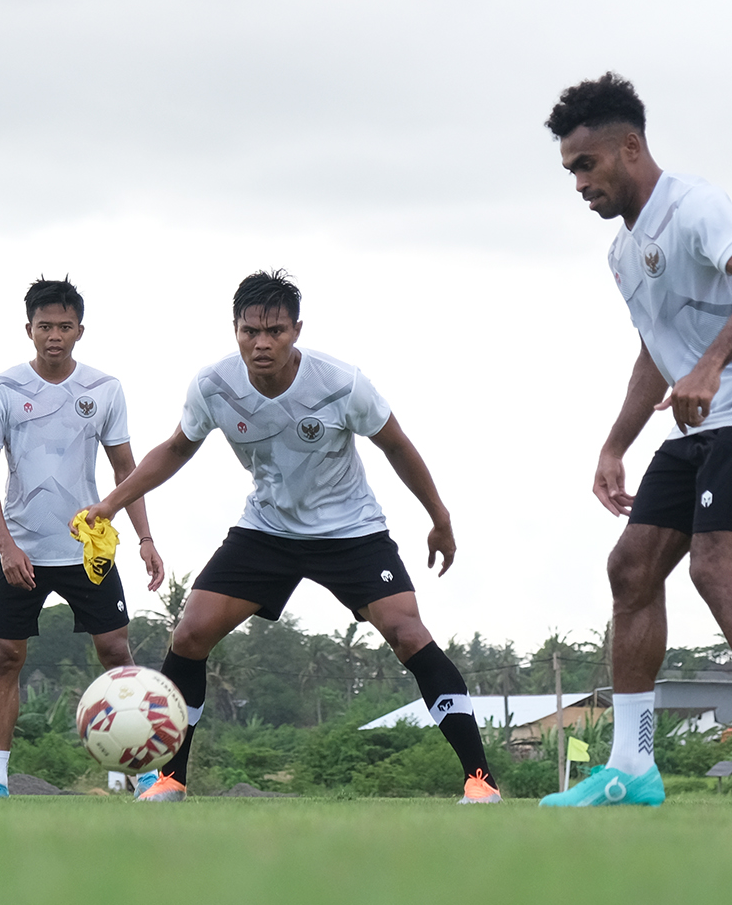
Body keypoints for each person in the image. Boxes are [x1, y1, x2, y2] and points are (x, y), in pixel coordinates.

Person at [83, 271, 502, 805]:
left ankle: (480, 782)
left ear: (296, 330)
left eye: (275, 331)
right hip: (267, 529)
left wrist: (439, 516)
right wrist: (111, 504)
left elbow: (397, 445)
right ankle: (171, 780)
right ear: (234, 329)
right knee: (189, 634)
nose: (262, 343)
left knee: (407, 634)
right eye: (249, 331)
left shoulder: (341, 383)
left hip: (351, 529)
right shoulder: (214, 386)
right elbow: (175, 449)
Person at [542, 70, 732, 809]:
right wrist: (614, 444)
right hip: (703, 421)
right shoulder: (621, 254)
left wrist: (710, 364)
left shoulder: (695, 205)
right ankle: (632, 767)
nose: (579, 183)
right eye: (570, 170)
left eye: (587, 164)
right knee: (632, 567)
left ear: (630, 148)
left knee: (714, 566)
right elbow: (657, 350)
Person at [0, 279, 165, 798]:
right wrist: (6, 545)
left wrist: (145, 537)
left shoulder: (104, 389)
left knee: (116, 650)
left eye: (64, 326)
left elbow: (128, 471)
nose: (54, 336)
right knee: (6, 657)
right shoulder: (2, 389)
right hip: (21, 552)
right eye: (44, 326)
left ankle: (140, 769)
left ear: (80, 330)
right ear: (28, 329)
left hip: (87, 549)